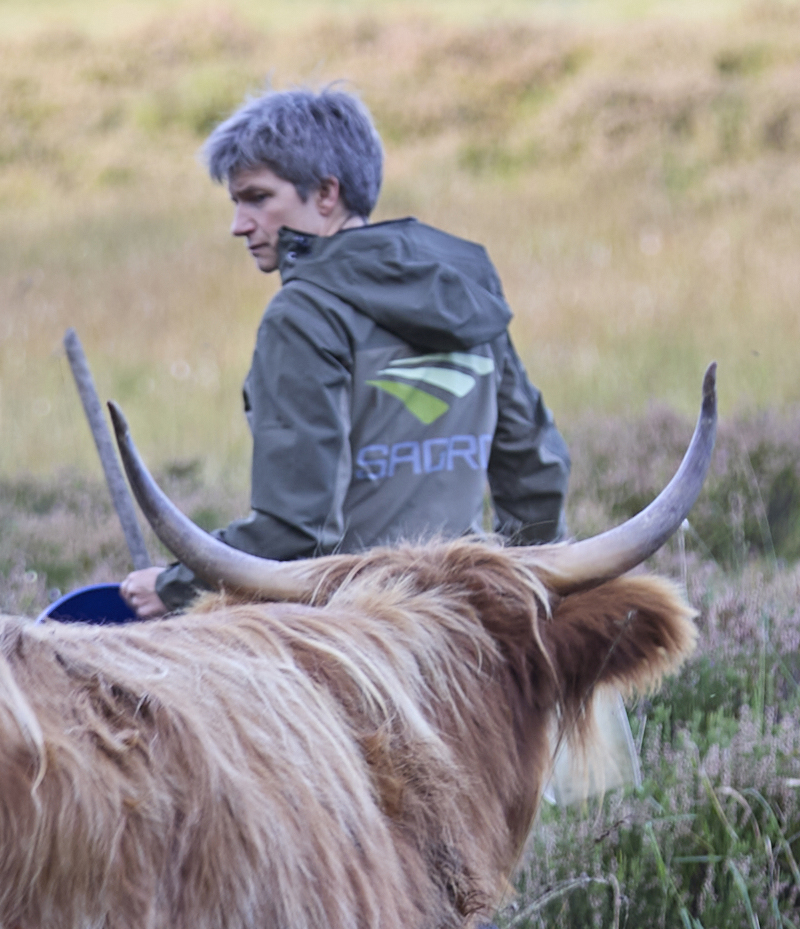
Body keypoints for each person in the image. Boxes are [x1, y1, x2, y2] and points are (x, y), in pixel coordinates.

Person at [49, 83, 563, 621]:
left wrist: (174, 587)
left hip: (355, 640)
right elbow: (535, 473)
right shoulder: (467, 289)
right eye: (236, 202)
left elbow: (297, 529)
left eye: (258, 198)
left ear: (325, 194)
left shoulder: (303, 315)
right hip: (465, 624)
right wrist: (517, 603)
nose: (238, 224)